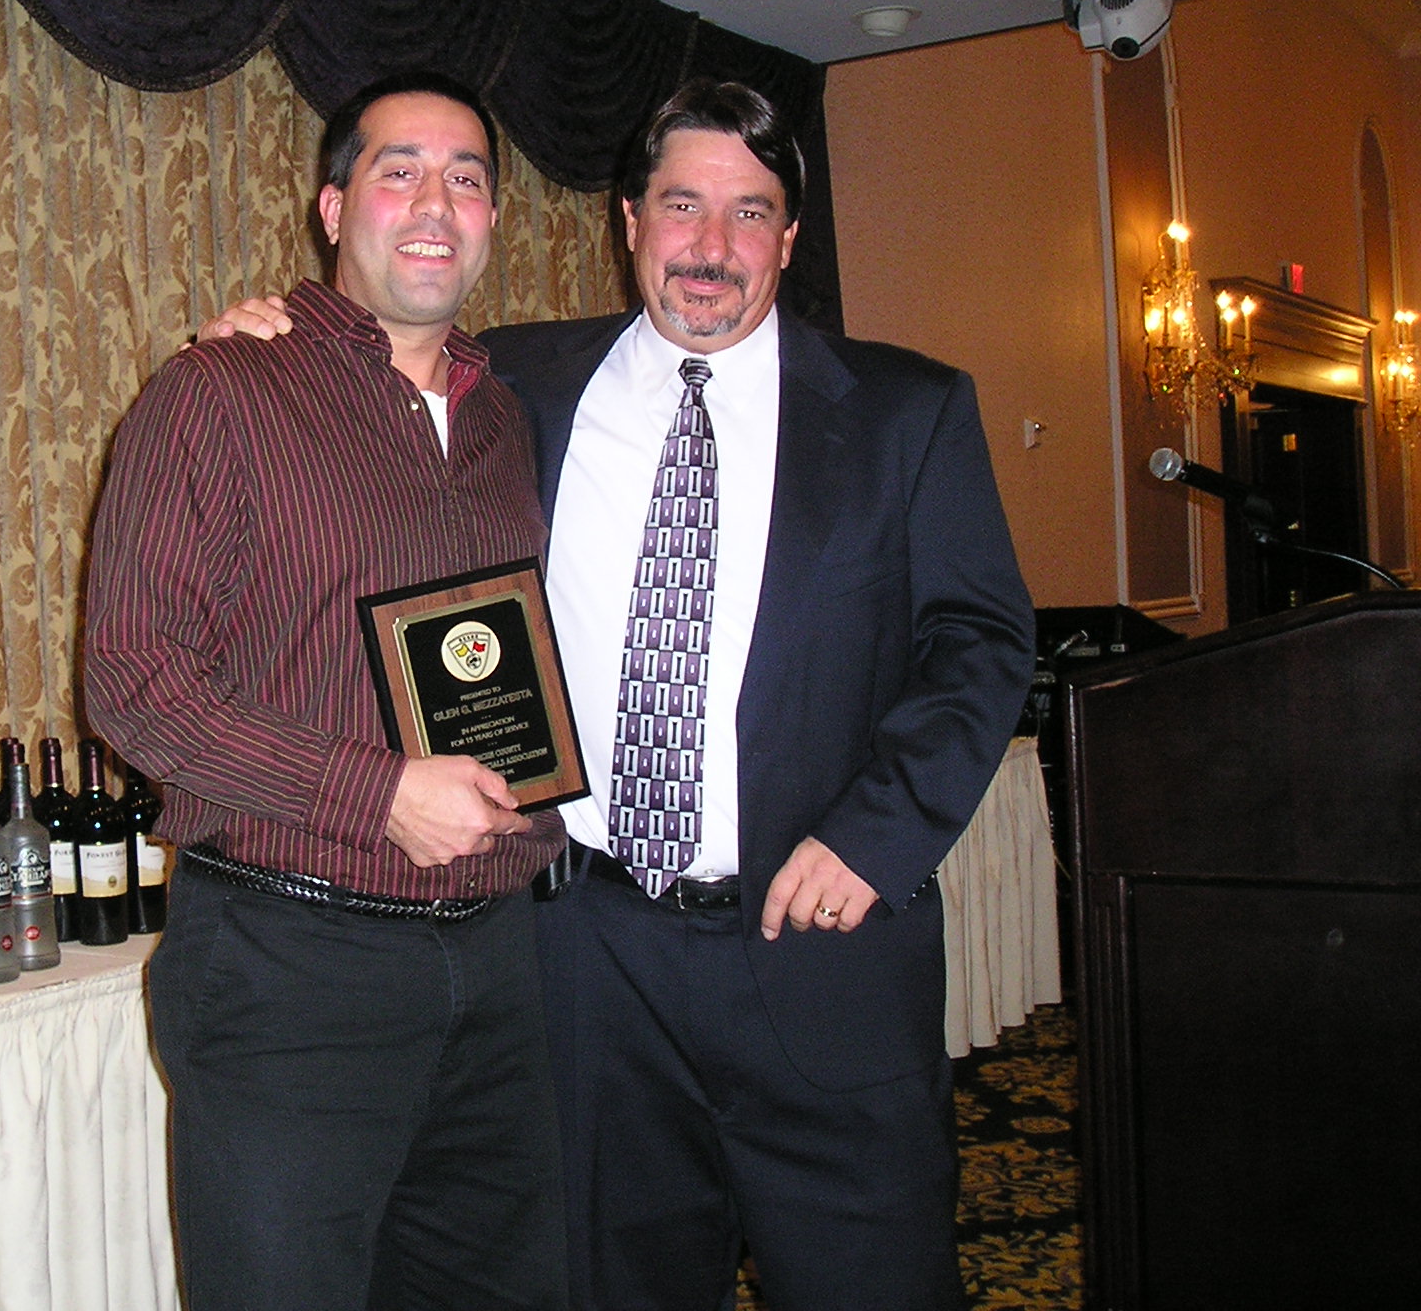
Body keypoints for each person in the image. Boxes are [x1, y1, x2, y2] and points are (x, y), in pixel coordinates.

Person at [203, 77, 1035, 1310]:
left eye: (749, 214)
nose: (711, 246)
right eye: (682, 206)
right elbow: (374, 362)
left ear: (788, 240)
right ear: (629, 221)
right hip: (586, 960)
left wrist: (877, 835)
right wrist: (269, 340)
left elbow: (978, 642)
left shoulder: (907, 411)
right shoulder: (518, 385)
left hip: (816, 947)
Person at [84, 70, 571, 1311]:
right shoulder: (218, 391)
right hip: (293, 968)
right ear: (333, 206)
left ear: (492, 220)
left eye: (466, 179)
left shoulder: (505, 418)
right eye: (398, 171)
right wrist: (378, 793)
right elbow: (135, 682)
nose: (435, 203)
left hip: (499, 960)